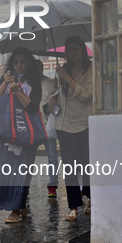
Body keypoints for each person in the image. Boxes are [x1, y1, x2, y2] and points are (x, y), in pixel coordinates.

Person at [0, 47, 42, 223]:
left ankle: (16, 209)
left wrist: (17, 91)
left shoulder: (33, 81)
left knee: (20, 173)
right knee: (3, 171)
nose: (19, 65)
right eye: (16, 62)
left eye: (22, 61)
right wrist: (5, 84)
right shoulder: (7, 78)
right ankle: (19, 205)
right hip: (5, 135)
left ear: (28, 63)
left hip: (25, 135)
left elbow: (32, 106)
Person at [48, 35, 93, 221]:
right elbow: (61, 96)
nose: (73, 53)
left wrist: (67, 78)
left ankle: (90, 197)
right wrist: (54, 95)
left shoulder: (90, 70)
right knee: (70, 167)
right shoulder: (63, 70)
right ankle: (73, 206)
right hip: (63, 124)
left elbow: (87, 95)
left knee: (86, 165)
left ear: (82, 50)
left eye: (76, 48)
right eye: (69, 50)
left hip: (83, 123)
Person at [34, 59, 59, 197]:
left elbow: (58, 99)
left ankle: (52, 186)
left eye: (39, 68)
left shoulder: (50, 82)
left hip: (47, 126)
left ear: (42, 69)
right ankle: (24, 188)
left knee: (52, 157)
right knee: (28, 158)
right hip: (33, 126)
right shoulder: (29, 84)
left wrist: (57, 86)